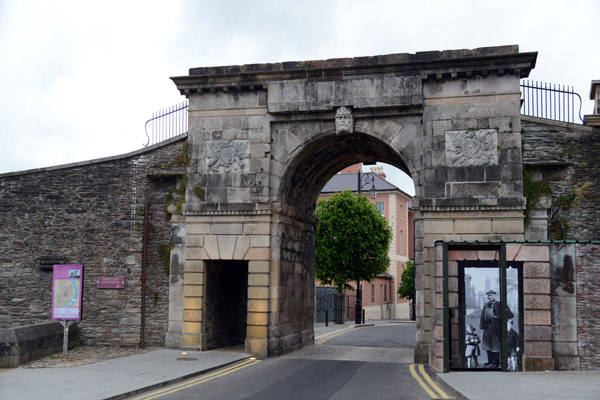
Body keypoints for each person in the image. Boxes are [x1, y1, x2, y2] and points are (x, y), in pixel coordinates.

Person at [479, 289, 513, 368]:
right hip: (487, 328)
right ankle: (490, 361)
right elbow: (482, 316)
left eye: (491, 295)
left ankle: (496, 363)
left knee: (495, 345)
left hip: (496, 328)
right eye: (488, 295)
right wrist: (482, 325)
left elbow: (510, 314)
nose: (489, 297)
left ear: (495, 295)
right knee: (487, 345)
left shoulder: (500, 304)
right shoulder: (486, 305)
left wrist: (497, 317)